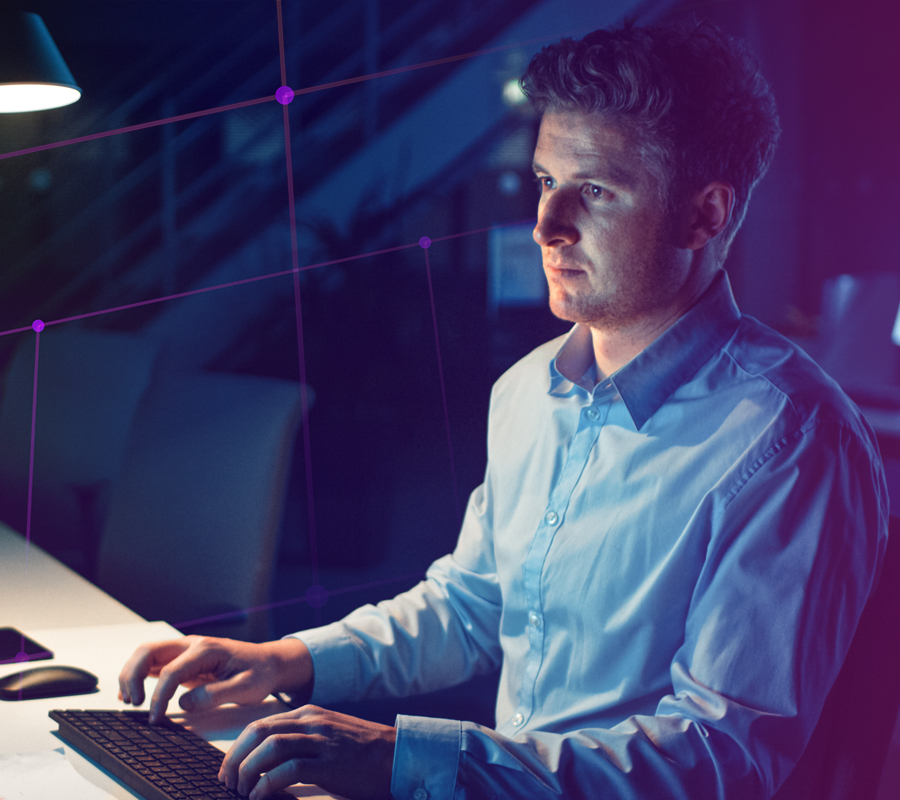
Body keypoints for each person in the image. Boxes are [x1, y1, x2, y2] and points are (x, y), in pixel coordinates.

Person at [118, 18, 889, 800]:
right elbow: (475, 605)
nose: (546, 225)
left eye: (594, 191)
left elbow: (717, 760)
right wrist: (287, 659)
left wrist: (409, 758)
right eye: (548, 181)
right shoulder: (528, 390)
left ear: (705, 215)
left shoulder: (792, 441)